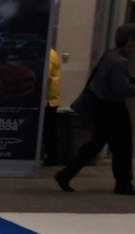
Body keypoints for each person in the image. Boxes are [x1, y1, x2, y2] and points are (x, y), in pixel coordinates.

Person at [55, 23, 135, 195]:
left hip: (101, 107)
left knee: (95, 144)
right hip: (113, 109)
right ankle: (123, 184)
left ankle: (66, 174)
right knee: (122, 147)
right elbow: (120, 88)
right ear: (129, 40)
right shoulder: (120, 61)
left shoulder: (110, 55)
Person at [42, 48, 62, 166]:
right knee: (50, 130)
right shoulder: (52, 52)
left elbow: (46, 74)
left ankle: (52, 157)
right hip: (51, 98)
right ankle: (52, 157)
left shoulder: (48, 54)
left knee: (49, 131)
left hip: (48, 100)